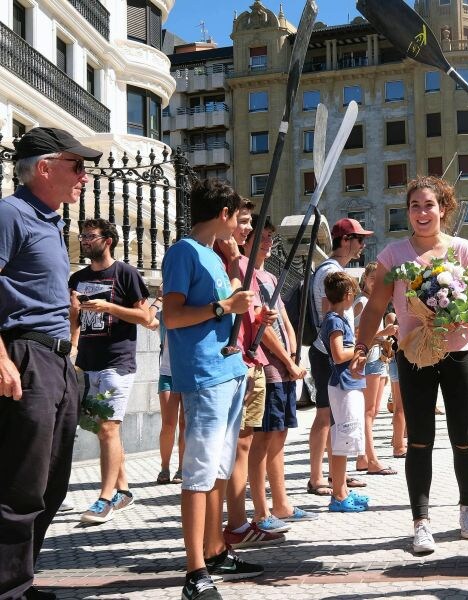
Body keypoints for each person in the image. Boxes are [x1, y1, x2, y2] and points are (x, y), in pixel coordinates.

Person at [352, 175, 468, 554]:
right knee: (419, 440)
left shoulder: (464, 251)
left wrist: (466, 314)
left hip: (461, 354)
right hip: (414, 356)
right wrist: (361, 346)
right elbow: (376, 307)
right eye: (415, 206)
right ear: (407, 212)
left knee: (464, 437)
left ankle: (467, 510)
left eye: (429, 205)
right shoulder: (392, 256)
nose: (422, 213)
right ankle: (421, 522)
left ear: (443, 209)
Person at [0, 127, 102, 600]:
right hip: (25, 355)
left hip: (59, 361)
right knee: (19, 486)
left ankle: (21, 580)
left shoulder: (53, 223)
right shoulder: (10, 214)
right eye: (77, 166)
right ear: (44, 167)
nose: (85, 176)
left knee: (52, 483)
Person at [162, 179, 262, 599]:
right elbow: (172, 315)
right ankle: (194, 570)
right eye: (238, 218)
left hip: (229, 371)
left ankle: (215, 549)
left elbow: (225, 312)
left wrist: (246, 311)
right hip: (203, 376)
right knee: (200, 472)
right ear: (222, 214)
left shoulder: (216, 257)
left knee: (219, 468)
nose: (241, 226)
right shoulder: (184, 252)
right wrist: (224, 306)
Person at [69, 218, 152, 524]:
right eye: (83, 236)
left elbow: (144, 317)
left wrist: (109, 308)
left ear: (108, 240)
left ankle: (106, 499)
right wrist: (73, 351)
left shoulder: (125, 273)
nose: (84, 240)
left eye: (90, 236)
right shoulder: (76, 279)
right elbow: (73, 320)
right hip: (88, 363)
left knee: (108, 429)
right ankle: (125, 490)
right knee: (101, 430)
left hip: (117, 362)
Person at [213, 201, 283, 546]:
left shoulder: (246, 266)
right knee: (226, 449)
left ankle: (239, 521)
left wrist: (262, 318)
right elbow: (228, 303)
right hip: (229, 363)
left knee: (243, 444)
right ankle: (231, 525)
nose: (246, 230)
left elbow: (250, 313)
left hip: (250, 363)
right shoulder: (216, 259)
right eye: (242, 222)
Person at [245, 215, 317, 531]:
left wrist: (293, 353)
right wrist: (286, 362)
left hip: (285, 366)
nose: (267, 241)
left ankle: (282, 502)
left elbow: (284, 319)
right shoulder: (246, 277)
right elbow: (261, 324)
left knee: (280, 437)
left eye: (270, 236)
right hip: (271, 368)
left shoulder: (271, 278)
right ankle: (261, 510)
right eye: (260, 236)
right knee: (266, 438)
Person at [306, 218, 373, 497]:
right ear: (345, 240)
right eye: (359, 239)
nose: (363, 245)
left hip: (331, 354)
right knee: (325, 415)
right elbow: (327, 314)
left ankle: (338, 478)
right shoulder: (330, 271)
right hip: (327, 355)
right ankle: (317, 477)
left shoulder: (332, 269)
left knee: (335, 418)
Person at [319, 271, 369, 512]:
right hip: (343, 385)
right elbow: (339, 354)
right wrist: (361, 349)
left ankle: (343, 490)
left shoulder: (336, 318)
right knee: (343, 440)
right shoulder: (334, 320)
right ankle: (338, 495)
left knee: (345, 439)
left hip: (348, 384)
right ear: (348, 295)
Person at [352, 262, 399, 475]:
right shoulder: (362, 302)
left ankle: (364, 457)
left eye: (378, 279)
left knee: (373, 411)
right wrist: (384, 333)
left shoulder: (372, 301)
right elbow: (357, 333)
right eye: (372, 278)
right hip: (369, 359)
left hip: (376, 359)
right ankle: (369, 458)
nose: (375, 282)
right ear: (365, 278)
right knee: (368, 412)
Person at [149, 289, 185, 485]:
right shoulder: (163, 318)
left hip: (187, 374)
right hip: (167, 374)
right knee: (168, 424)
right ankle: (164, 467)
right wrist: (158, 299)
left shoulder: (189, 313)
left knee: (185, 424)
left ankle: (182, 468)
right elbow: (147, 319)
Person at [384, 311, 407, 459]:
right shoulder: (397, 322)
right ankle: (399, 446)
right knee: (401, 408)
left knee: (398, 407)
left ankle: (396, 439)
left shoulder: (392, 321)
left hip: (393, 363)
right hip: (399, 363)